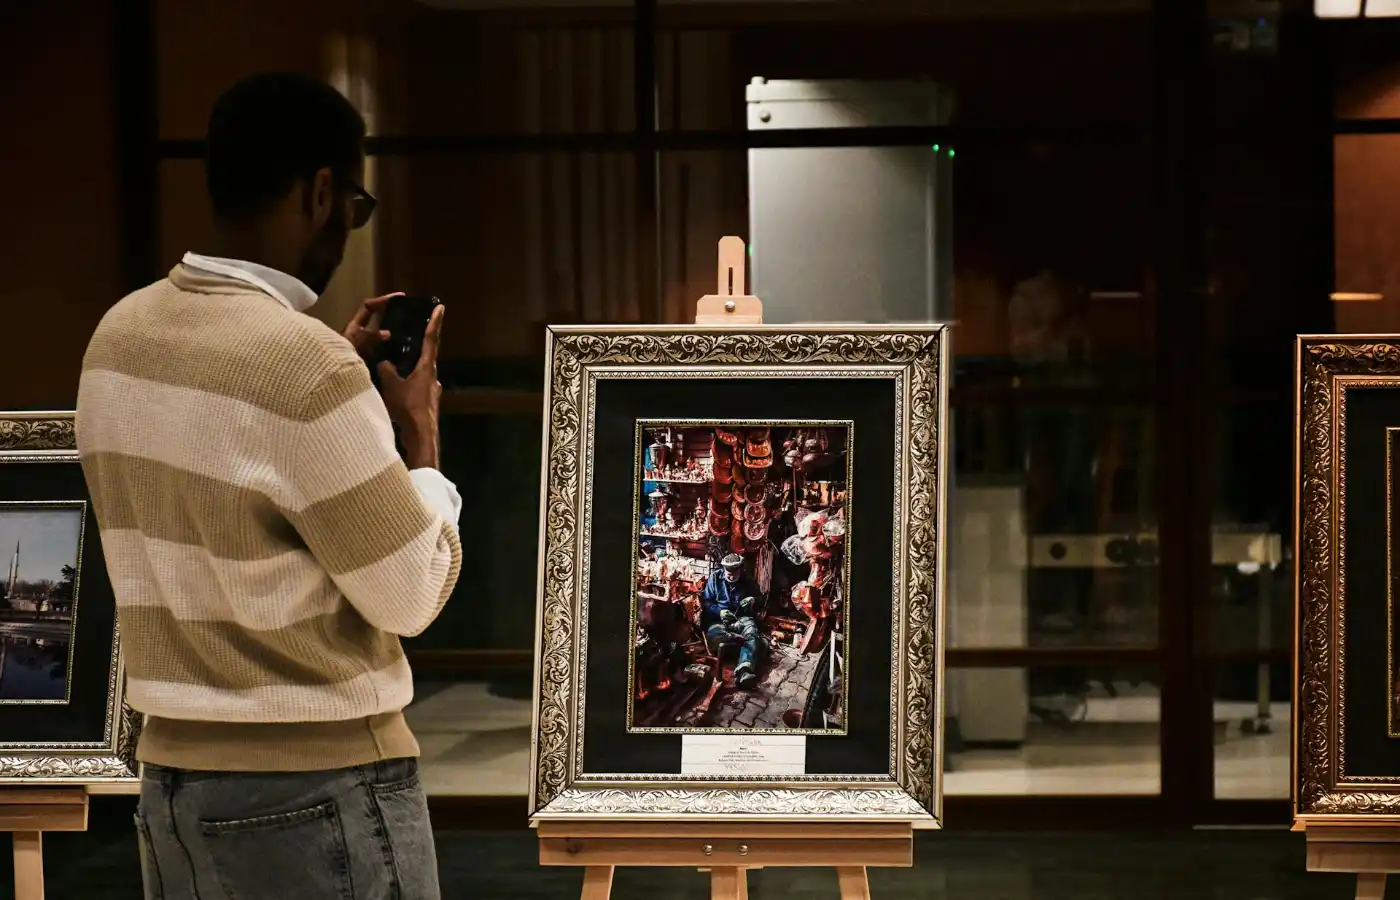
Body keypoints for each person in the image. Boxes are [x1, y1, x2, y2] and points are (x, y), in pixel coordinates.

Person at [75, 73, 462, 900]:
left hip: (170, 783)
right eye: (355, 207)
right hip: (318, 783)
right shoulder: (303, 364)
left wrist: (336, 396)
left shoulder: (117, 336)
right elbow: (410, 593)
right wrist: (419, 442)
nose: (347, 230)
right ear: (320, 193)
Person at [700, 554, 763, 690]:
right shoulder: (715, 578)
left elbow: (760, 599)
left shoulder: (748, 579)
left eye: (735, 575)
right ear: (724, 570)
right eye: (729, 574)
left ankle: (744, 671)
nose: (732, 577)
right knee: (714, 635)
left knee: (751, 630)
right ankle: (744, 642)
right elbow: (707, 602)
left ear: (740, 570)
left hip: (742, 618)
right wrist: (720, 611)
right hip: (719, 621)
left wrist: (753, 599)